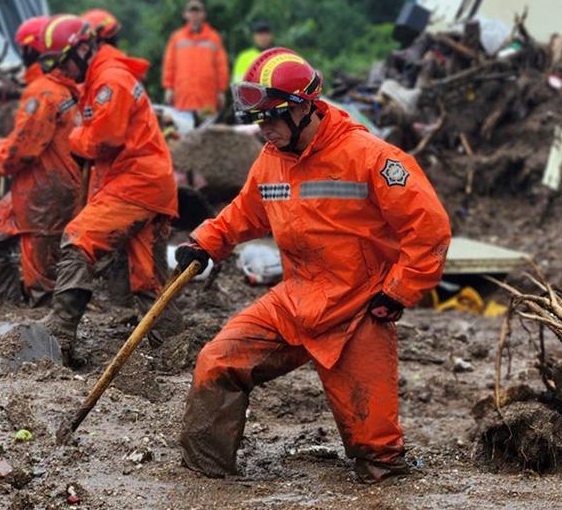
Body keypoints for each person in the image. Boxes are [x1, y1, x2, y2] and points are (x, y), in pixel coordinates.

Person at [174, 48, 452, 482]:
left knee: (377, 455)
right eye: (258, 120)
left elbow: (429, 228)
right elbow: (245, 212)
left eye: (271, 118)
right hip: (295, 300)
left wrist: (398, 291)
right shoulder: (271, 158)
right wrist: (206, 242)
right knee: (217, 363)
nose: (263, 130)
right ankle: (203, 477)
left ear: (303, 108)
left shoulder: (370, 157)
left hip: (359, 308)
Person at [38, 16, 179, 367]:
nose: (66, 72)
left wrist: (75, 139)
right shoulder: (103, 76)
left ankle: (60, 337)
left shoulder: (110, 80)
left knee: (78, 237)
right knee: (147, 275)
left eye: (66, 62)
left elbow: (104, 138)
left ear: (83, 49)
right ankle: (175, 347)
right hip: (146, 182)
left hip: (136, 182)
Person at [0, 15, 84, 306]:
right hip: (51, 185)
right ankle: (3, 306)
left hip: (43, 192)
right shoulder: (64, 90)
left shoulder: (44, 91)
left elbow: (22, 150)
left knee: (43, 277)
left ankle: (32, 316)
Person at [161, 0, 228, 114]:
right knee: (183, 130)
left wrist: (221, 91)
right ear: (185, 15)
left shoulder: (214, 37)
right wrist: (169, 88)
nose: (194, 15)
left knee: (206, 130)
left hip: (207, 97)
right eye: (191, 11)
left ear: (203, 14)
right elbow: (169, 64)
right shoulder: (177, 37)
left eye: (197, 11)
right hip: (183, 96)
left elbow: (221, 66)